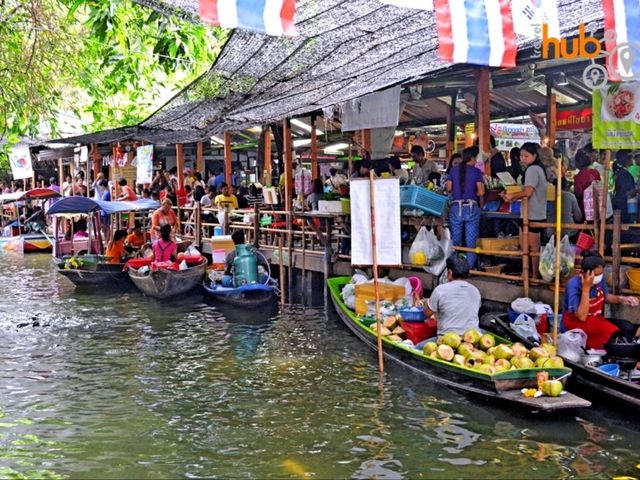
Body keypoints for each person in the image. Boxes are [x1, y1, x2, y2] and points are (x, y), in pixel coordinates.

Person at [563, 251, 639, 349]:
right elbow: (581, 316)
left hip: (596, 319)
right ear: (584, 272)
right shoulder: (573, 285)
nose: (599, 277)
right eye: (596, 274)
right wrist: (586, 288)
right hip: (576, 326)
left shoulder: (599, 279)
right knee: (611, 331)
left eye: (601, 274)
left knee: (627, 327)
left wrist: (621, 299)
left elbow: (606, 296)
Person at [501, 142, 548, 279]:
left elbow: (528, 192)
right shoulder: (538, 169)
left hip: (533, 214)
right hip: (533, 212)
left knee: (532, 248)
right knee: (526, 246)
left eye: (526, 156)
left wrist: (512, 196)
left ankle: (533, 276)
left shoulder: (532, 170)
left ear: (534, 156)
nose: (522, 158)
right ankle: (527, 274)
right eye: (521, 156)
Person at [423, 256, 481, 337]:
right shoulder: (475, 291)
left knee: (418, 346)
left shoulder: (440, 290)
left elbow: (427, 313)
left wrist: (426, 302)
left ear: (450, 273)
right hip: (472, 338)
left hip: (447, 340)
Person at [446, 146, 484, 269]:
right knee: (470, 243)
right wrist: (473, 194)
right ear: (472, 158)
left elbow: (449, 188)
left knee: (455, 241)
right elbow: (481, 192)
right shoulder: (476, 172)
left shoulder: (453, 170)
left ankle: (455, 268)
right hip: (471, 208)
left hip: (456, 207)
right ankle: (469, 268)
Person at [573, 149, 600, 217]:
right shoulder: (596, 172)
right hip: (597, 207)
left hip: (585, 210)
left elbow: (578, 195)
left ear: (578, 162)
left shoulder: (578, 177)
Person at [612, 150, 637, 223]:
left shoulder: (621, 172)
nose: (633, 159)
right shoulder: (624, 174)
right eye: (631, 157)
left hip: (622, 206)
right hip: (624, 208)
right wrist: (638, 190)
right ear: (627, 159)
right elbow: (628, 192)